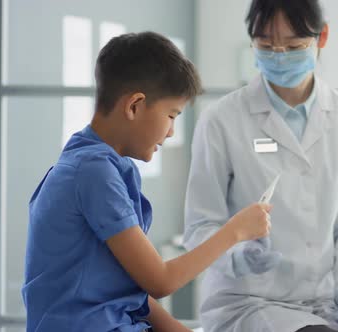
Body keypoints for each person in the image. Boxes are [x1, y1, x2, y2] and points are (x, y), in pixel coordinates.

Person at [22, 31, 274, 332]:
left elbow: (129, 290)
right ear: (134, 106)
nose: (170, 132)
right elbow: (160, 280)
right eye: (171, 115)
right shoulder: (93, 172)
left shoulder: (98, 166)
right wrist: (235, 230)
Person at [184, 1, 338, 331]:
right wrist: (237, 255)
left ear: (321, 37)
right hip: (251, 299)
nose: (279, 56)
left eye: (294, 47)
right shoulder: (221, 120)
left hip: (326, 297)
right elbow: (199, 225)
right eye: (266, 46)